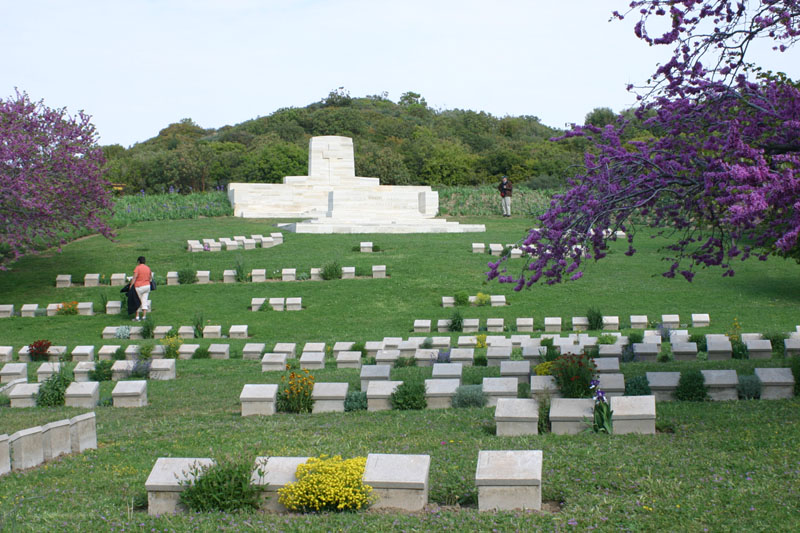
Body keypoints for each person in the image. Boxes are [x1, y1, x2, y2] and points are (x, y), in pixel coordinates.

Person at [130, 256, 152, 321]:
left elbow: (134, 277)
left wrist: (131, 285)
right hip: (147, 286)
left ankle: (137, 317)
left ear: (139, 261)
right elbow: (150, 278)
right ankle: (144, 316)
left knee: (137, 301)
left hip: (139, 286)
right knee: (144, 301)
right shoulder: (148, 268)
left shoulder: (138, 268)